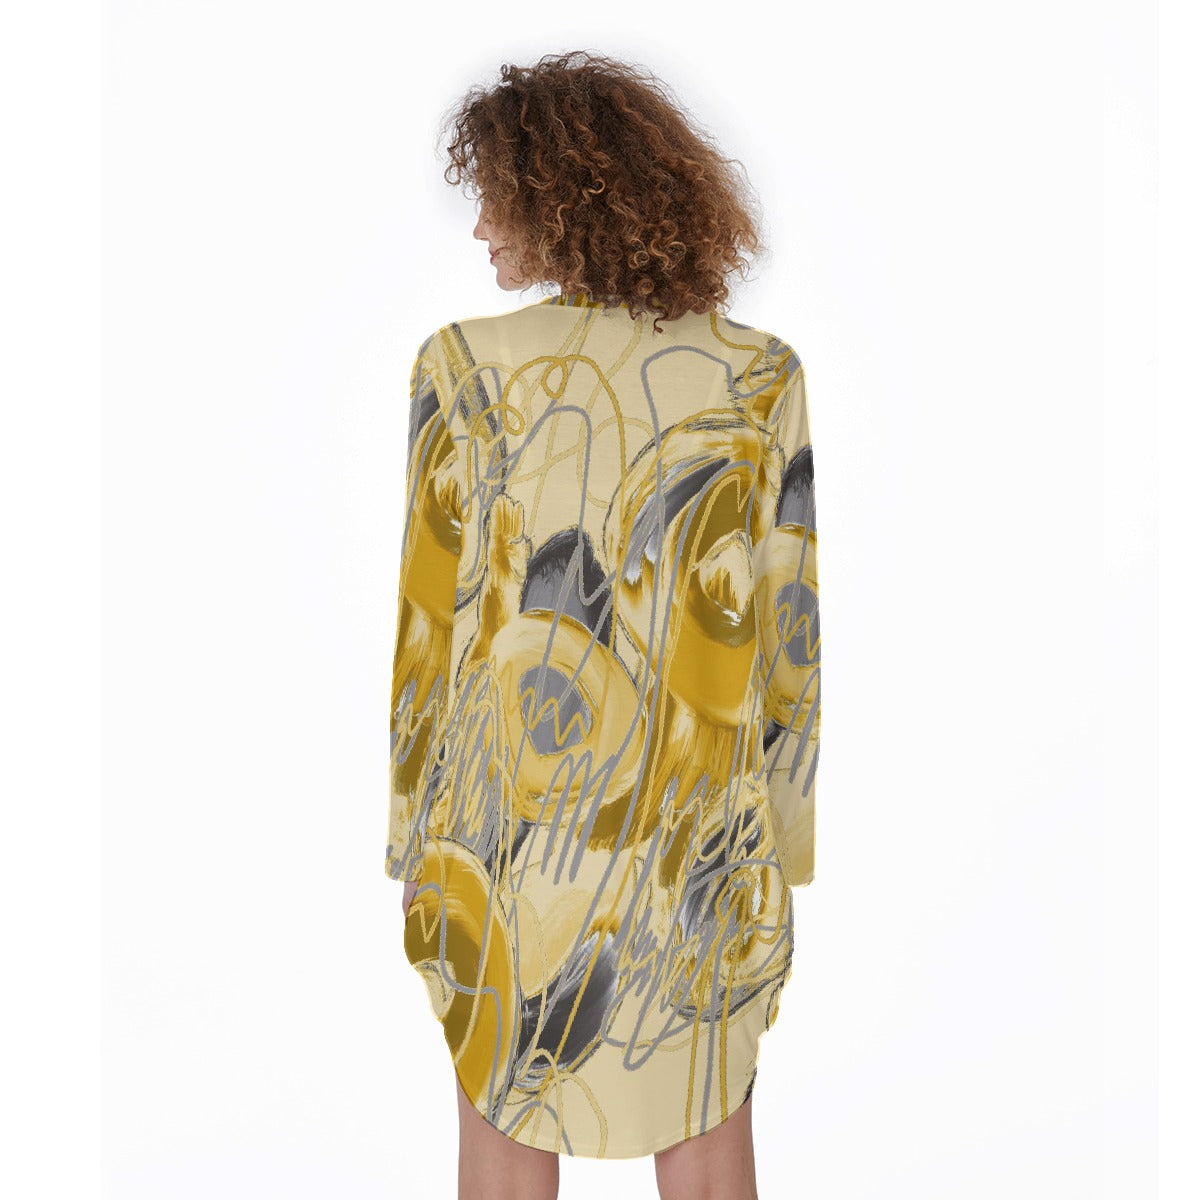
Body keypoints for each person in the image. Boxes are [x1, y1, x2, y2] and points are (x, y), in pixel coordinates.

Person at [386, 51, 821, 1200]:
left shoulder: (464, 369)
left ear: (554, 196)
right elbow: (789, 633)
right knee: (711, 1152)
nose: (481, 227)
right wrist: (784, 837)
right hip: (701, 838)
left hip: (511, 833)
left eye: (494, 195)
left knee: (503, 1145)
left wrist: (411, 840)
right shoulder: (759, 376)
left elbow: (430, 627)